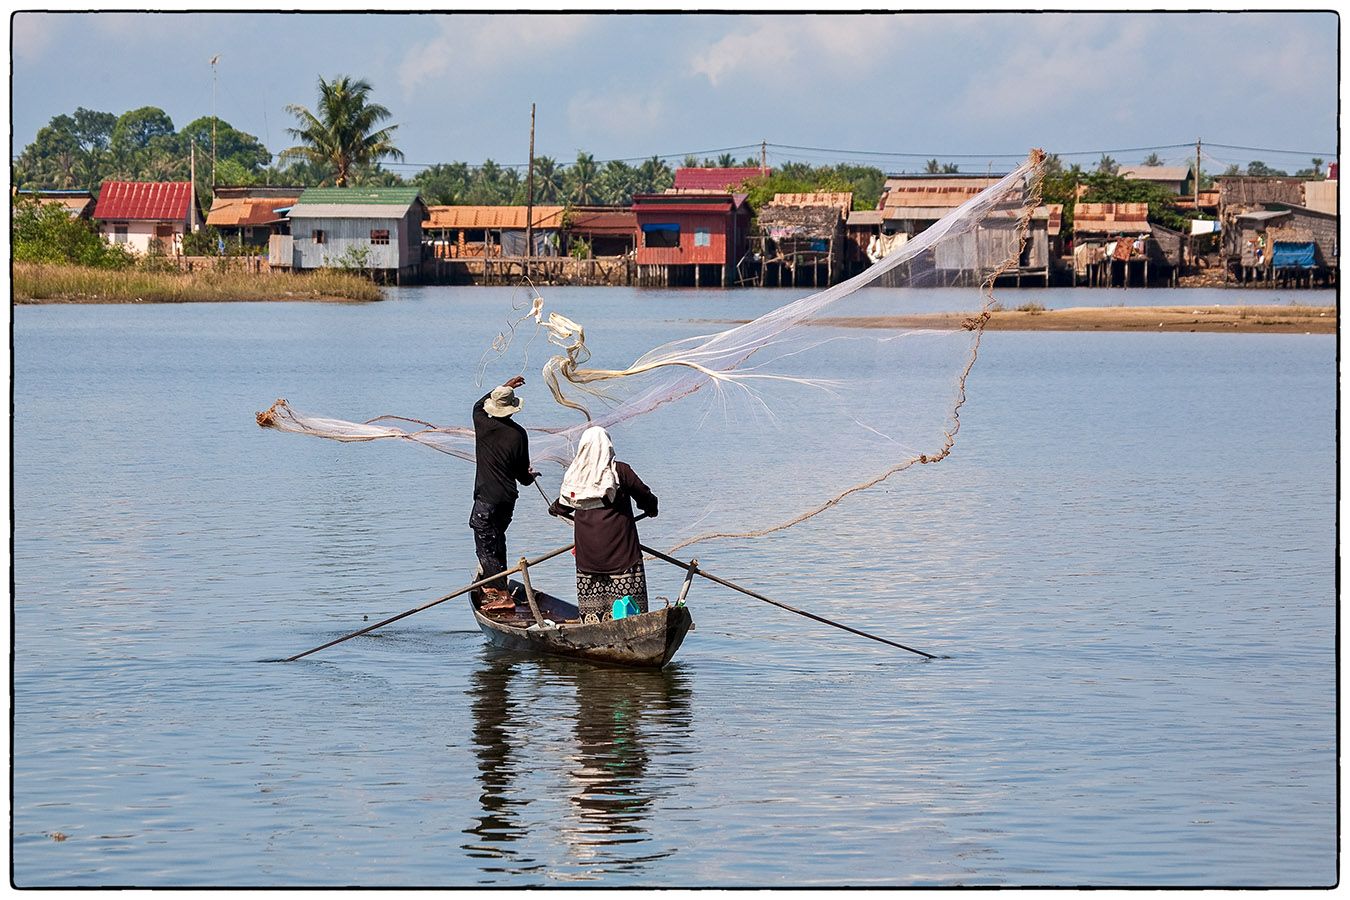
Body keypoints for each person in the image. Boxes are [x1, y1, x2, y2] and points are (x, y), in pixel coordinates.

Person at [549, 426, 658, 622]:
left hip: (588, 558)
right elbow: (644, 496)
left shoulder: (576, 475)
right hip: (623, 556)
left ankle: (594, 630)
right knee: (630, 615)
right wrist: (651, 509)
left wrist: (554, 508)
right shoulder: (620, 472)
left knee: (595, 616)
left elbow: (562, 506)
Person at [472, 376, 537, 611]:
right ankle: (496, 585)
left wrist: (504, 385)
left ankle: (502, 594)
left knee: (485, 540)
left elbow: (478, 404)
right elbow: (524, 478)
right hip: (508, 499)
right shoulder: (519, 435)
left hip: (487, 498)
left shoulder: (481, 422)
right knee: (497, 539)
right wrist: (531, 476)